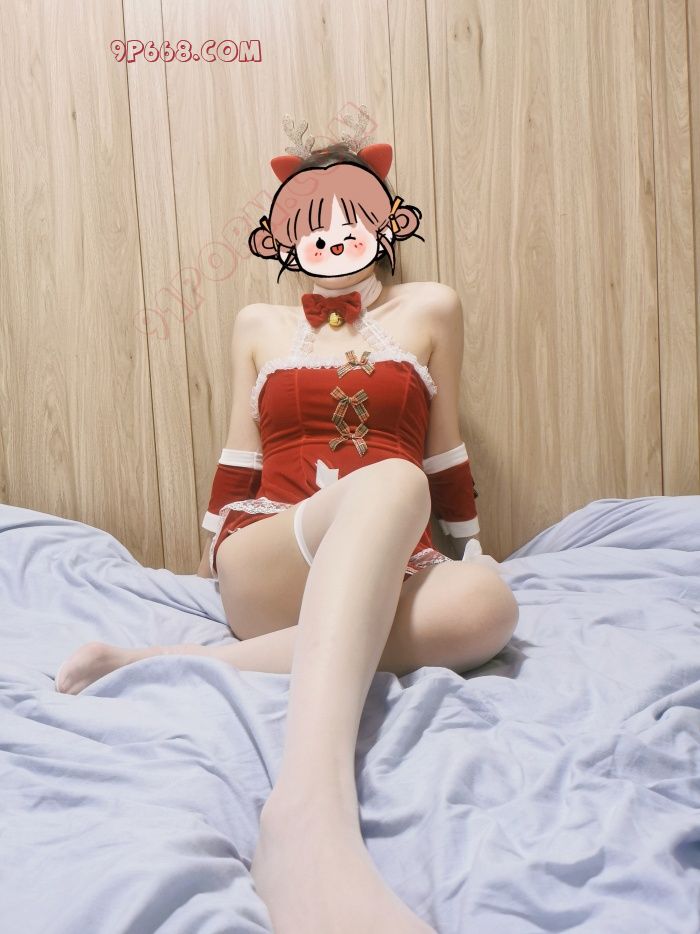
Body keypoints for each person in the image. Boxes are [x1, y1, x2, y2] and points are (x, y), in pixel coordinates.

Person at [56, 115, 519, 933]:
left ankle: (164, 661)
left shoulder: (431, 308)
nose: (333, 235)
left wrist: (472, 541)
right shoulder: (260, 325)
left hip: (393, 558)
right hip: (275, 549)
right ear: (287, 236)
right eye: (313, 223)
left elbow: (444, 448)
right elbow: (239, 452)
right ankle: (306, 816)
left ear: (383, 222)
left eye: (350, 217)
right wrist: (214, 539)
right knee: (393, 479)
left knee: (489, 606)